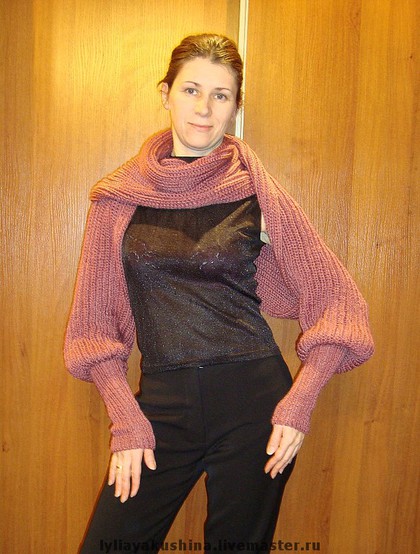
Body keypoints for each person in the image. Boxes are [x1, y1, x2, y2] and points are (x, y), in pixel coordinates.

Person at [64, 33, 374, 554]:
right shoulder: (118, 199)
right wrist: (125, 418)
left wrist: (300, 402)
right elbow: (94, 328)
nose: (204, 109)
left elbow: (336, 300)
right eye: (191, 90)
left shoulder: (255, 191)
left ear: (235, 105)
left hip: (255, 406)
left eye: (221, 95)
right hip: (161, 407)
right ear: (166, 94)